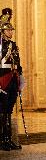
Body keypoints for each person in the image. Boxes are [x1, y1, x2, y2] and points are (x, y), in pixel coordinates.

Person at [0, 19, 24, 151]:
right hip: (2, 80)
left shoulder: (13, 45)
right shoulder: (0, 45)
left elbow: (18, 63)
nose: (11, 32)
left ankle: (9, 139)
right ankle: (3, 140)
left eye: (11, 30)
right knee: (2, 111)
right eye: (8, 30)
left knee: (9, 111)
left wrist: (19, 78)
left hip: (12, 80)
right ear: (2, 32)